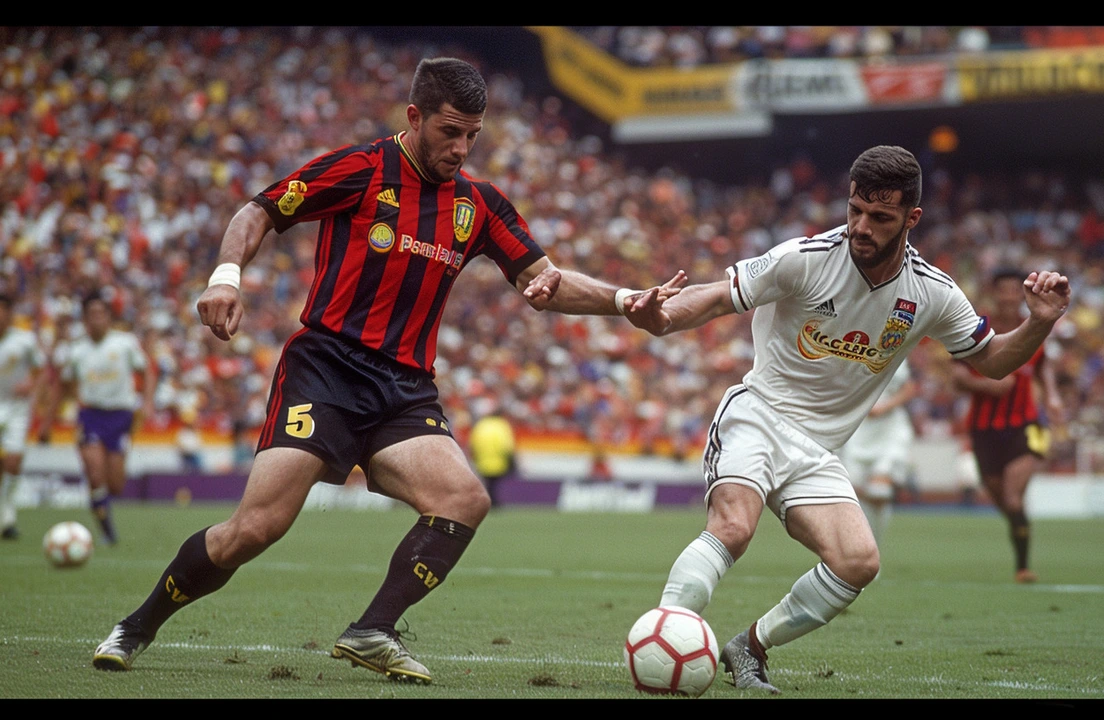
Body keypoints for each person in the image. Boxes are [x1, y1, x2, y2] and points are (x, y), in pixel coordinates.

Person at [89, 57, 681, 684]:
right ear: (414, 116)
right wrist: (225, 277)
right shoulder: (362, 170)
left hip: (404, 390)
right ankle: (137, 626)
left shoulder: (478, 206)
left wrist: (622, 301)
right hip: (327, 369)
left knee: (463, 499)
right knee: (255, 528)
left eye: (472, 135)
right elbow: (257, 211)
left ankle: (373, 630)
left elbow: (546, 279)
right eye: (450, 131)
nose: (461, 147)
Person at [630, 145, 1071, 694]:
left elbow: (994, 360)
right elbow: (718, 297)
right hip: (758, 416)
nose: (862, 226)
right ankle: (664, 636)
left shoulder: (932, 293)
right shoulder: (805, 257)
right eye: (855, 210)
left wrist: (1040, 323)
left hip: (818, 450)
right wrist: (663, 315)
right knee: (734, 529)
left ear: (912, 218)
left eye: (880, 217)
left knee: (859, 562)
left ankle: (750, 646)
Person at [951, 268, 1065, 584]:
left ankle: (1023, 567)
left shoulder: (1036, 327)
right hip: (983, 430)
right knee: (1004, 503)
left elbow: (1044, 367)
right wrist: (989, 387)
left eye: (1015, 290)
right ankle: (1020, 532)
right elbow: (957, 378)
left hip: (1028, 425)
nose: (1009, 297)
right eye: (1003, 290)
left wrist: (1053, 398)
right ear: (994, 293)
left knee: (1013, 499)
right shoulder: (977, 329)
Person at [40, 291, 156, 546]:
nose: (96, 319)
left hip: (121, 416)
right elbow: (62, 385)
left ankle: (104, 514)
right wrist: (48, 422)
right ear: (84, 319)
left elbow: (146, 370)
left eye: (101, 314)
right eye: (91, 314)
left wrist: (147, 402)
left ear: (109, 317)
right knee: (95, 474)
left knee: (115, 484)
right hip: (90, 415)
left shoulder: (124, 343)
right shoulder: (75, 349)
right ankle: (107, 532)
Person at [834, 360, 918, 545]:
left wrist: (883, 407)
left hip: (890, 431)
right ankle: (862, 543)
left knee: (880, 490)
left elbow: (910, 387)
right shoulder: (846, 353)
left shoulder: (895, 351)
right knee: (852, 490)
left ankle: (873, 546)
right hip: (857, 432)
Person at [0, 294, 47, 540]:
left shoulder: (25, 340)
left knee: (13, 462)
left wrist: (32, 387)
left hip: (16, 407)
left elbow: (41, 369)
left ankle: (7, 515)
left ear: (9, 313)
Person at [467, 406, 517, 509]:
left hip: (482, 460)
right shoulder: (502, 425)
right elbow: (506, 445)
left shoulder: (481, 425)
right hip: (499, 460)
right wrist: (512, 459)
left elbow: (473, 443)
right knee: (494, 483)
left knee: (488, 482)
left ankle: (490, 501)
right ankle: (494, 502)